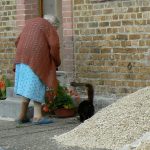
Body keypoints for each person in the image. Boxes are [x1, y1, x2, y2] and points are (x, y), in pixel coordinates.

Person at [14, 15, 61, 124]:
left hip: (21, 57)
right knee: (37, 84)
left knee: (27, 86)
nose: (55, 31)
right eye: (56, 29)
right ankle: (37, 117)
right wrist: (57, 61)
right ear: (53, 25)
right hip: (36, 58)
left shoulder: (31, 23)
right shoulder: (48, 25)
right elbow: (54, 45)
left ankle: (22, 115)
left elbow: (17, 41)